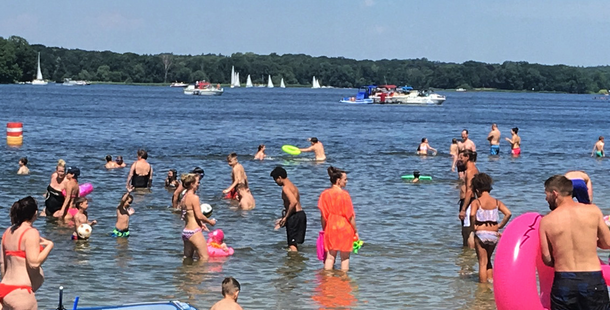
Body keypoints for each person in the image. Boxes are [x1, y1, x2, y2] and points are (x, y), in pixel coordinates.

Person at [539, 175, 610, 310]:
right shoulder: (592, 211)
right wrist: (588, 242)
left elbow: (547, 259)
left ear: (555, 193)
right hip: (592, 279)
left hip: (564, 281)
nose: (545, 198)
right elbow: (607, 243)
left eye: (546, 194)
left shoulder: (546, 221)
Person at [0, 197, 53, 309]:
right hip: (21, 291)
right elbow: (34, 263)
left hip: (4, 288)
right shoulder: (31, 232)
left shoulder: (8, 232)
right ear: (35, 213)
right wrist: (49, 246)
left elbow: (2, 264)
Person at [469, 173, 511, 283]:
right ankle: (490, 281)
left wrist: (473, 226)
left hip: (481, 232)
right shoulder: (496, 202)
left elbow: (472, 214)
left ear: (477, 189)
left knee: (482, 262)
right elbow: (508, 213)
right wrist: (500, 225)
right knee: (488, 260)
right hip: (493, 234)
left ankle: (482, 287)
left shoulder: (476, 202)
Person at [317, 166, 359, 271]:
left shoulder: (324, 194)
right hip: (345, 227)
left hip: (331, 227)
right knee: (345, 258)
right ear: (338, 180)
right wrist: (355, 230)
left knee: (330, 257)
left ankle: (328, 279)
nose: (346, 181)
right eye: (345, 179)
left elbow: (323, 215)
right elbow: (350, 216)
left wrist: (324, 229)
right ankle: (344, 281)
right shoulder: (344, 195)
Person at [181, 173, 216, 260]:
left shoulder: (183, 198)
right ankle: (200, 273)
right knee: (204, 258)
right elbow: (199, 215)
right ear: (192, 184)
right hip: (194, 232)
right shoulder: (194, 197)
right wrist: (210, 222)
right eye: (197, 182)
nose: (198, 184)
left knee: (187, 258)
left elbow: (187, 216)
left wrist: (201, 224)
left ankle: (187, 273)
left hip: (186, 232)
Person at [270, 167, 306, 252]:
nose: (276, 182)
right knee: (295, 242)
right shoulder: (293, 186)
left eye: (275, 180)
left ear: (279, 177)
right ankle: (297, 263)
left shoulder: (285, 188)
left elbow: (293, 202)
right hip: (301, 214)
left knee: (292, 245)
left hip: (295, 216)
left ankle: (293, 263)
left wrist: (286, 218)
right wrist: (284, 218)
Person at [458, 150, 479, 249]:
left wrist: (463, 209)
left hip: (468, 202)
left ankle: (470, 255)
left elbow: (470, 191)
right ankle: (465, 256)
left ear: (467, 157)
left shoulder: (471, 171)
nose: (460, 159)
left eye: (462, 157)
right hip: (465, 202)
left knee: (469, 231)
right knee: (464, 231)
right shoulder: (468, 170)